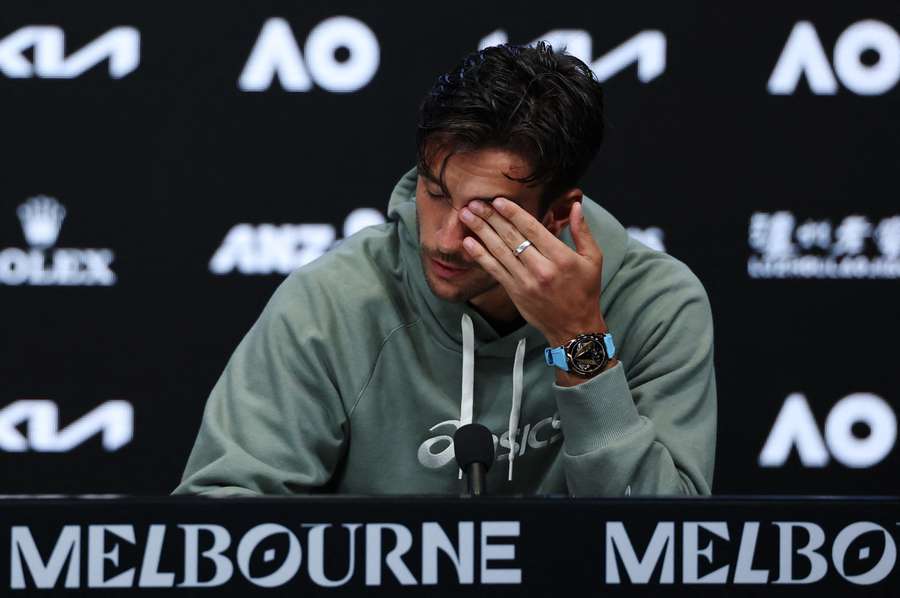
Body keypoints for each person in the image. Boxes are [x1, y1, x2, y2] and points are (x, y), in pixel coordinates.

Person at [174, 42, 716, 497]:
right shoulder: (335, 300)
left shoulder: (656, 304)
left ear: (556, 213)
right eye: (435, 194)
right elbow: (221, 521)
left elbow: (664, 548)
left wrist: (579, 339)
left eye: (484, 214)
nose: (444, 239)